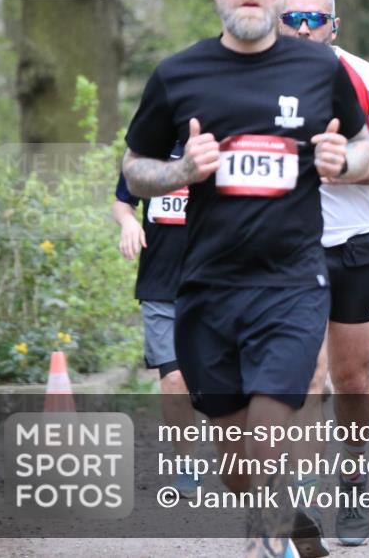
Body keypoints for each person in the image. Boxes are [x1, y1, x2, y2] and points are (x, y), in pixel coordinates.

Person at [121, 0, 369, 558]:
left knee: (268, 428)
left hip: (291, 281)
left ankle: (268, 542)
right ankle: (279, 518)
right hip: (205, 288)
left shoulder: (320, 69)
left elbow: (366, 140)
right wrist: (181, 170)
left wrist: (348, 159)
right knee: (236, 461)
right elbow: (132, 167)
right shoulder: (178, 75)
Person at [278, 0, 369, 547]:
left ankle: (355, 477)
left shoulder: (367, 78)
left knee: (352, 376)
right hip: (286, 249)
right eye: (294, 19)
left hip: (356, 244)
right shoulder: (250, 83)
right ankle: (300, 495)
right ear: (277, 22)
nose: (304, 29)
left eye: (316, 19)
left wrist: (350, 170)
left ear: (334, 26)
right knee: (303, 375)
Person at [112, 154, 200, 499]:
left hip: (216, 283)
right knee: (175, 378)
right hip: (160, 282)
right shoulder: (147, 148)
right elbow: (123, 201)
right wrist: (128, 222)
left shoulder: (222, 135)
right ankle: (187, 463)